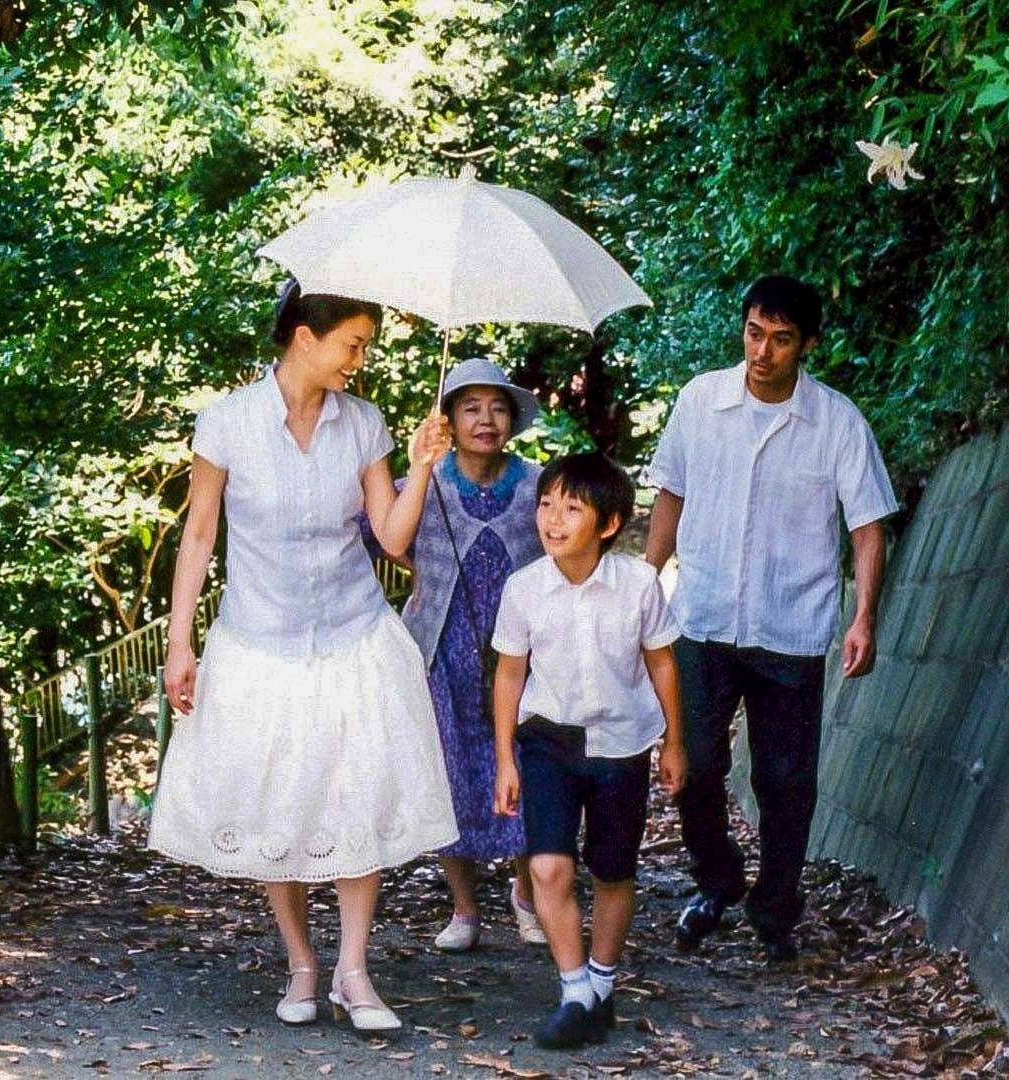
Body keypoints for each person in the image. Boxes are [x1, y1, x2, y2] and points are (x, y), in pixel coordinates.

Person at [148, 280, 459, 1035]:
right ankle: (301, 963)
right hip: (259, 640)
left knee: (355, 797)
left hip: (353, 635)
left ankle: (353, 970)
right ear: (304, 337)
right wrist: (180, 640)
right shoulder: (226, 422)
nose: (360, 359)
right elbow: (199, 535)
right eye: (353, 344)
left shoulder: (364, 423)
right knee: (275, 808)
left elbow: (391, 536)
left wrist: (422, 465)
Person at [644, 275, 898, 963]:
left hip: (792, 626)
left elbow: (868, 527)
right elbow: (671, 495)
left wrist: (864, 616)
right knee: (694, 765)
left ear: (808, 344)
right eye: (755, 333)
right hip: (702, 619)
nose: (763, 351)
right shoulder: (701, 401)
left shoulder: (837, 422)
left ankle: (776, 907)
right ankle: (716, 880)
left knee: (785, 781)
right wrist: (644, 582)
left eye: (781, 340)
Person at [489, 453, 686, 1051]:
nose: (553, 519)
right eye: (547, 504)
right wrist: (505, 759)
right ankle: (574, 990)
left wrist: (675, 741)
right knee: (548, 867)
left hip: (621, 745)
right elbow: (509, 674)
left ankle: (601, 983)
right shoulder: (524, 588)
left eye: (572, 508)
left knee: (612, 871)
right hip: (547, 741)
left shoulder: (638, 585)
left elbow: (661, 662)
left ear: (608, 523)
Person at [370, 359, 548, 953]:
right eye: (470, 408)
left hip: (521, 655)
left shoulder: (537, 486)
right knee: (450, 773)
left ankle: (527, 894)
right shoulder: (427, 481)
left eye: (497, 408)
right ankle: (465, 907)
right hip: (443, 650)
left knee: (523, 766)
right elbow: (386, 537)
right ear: (448, 419)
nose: (485, 420)